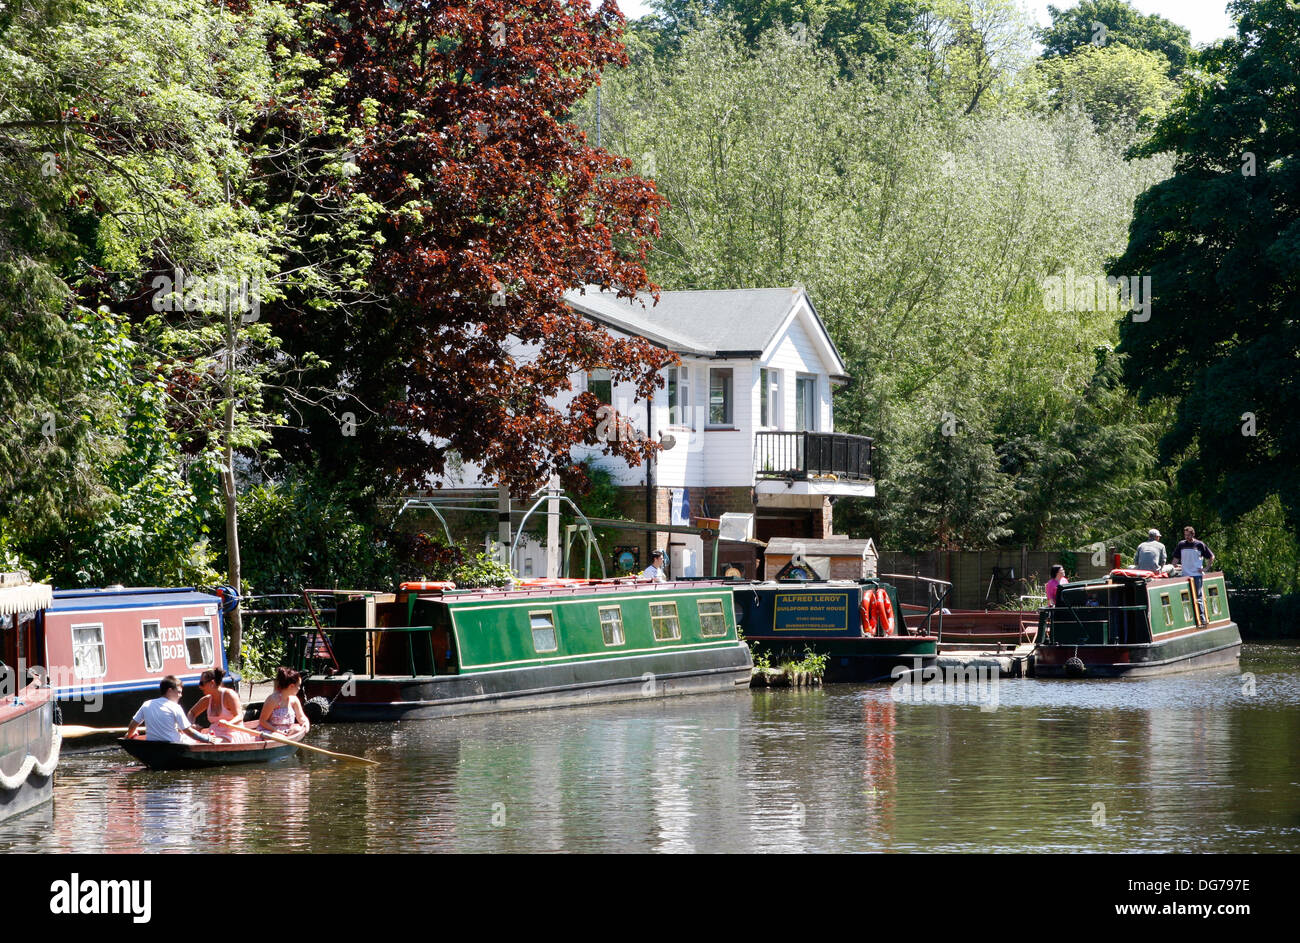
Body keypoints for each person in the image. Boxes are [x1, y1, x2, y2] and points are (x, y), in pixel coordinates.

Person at [127, 676, 217, 744]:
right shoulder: (175, 707)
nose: (180, 695)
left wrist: (129, 735)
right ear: (169, 691)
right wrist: (207, 739)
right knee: (195, 740)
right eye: (179, 692)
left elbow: (133, 725)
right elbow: (188, 731)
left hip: (153, 744)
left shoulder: (146, 704)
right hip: (174, 745)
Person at [188, 667, 249, 742]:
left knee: (212, 743)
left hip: (232, 734)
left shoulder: (229, 695)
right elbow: (192, 713)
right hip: (214, 735)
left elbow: (239, 716)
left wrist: (229, 723)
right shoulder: (207, 699)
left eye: (202, 683)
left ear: (212, 683)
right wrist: (191, 725)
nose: (200, 686)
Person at [254, 667, 309, 737]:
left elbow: (301, 717)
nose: (299, 688)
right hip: (271, 732)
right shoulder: (273, 700)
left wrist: (305, 723)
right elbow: (262, 721)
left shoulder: (294, 700)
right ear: (291, 686)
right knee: (275, 736)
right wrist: (276, 731)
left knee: (298, 729)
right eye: (298, 686)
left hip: (286, 732)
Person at [1172, 526, 1215, 604]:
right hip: (1185, 575)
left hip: (1196, 575)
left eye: (1188, 535)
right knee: (1187, 598)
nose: (1186, 537)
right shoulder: (1181, 544)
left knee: (1198, 598)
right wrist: (1173, 566)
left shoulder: (1199, 544)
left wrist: (1206, 568)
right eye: (1185, 535)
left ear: (1193, 534)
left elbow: (1211, 556)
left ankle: (1201, 616)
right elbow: (1176, 558)